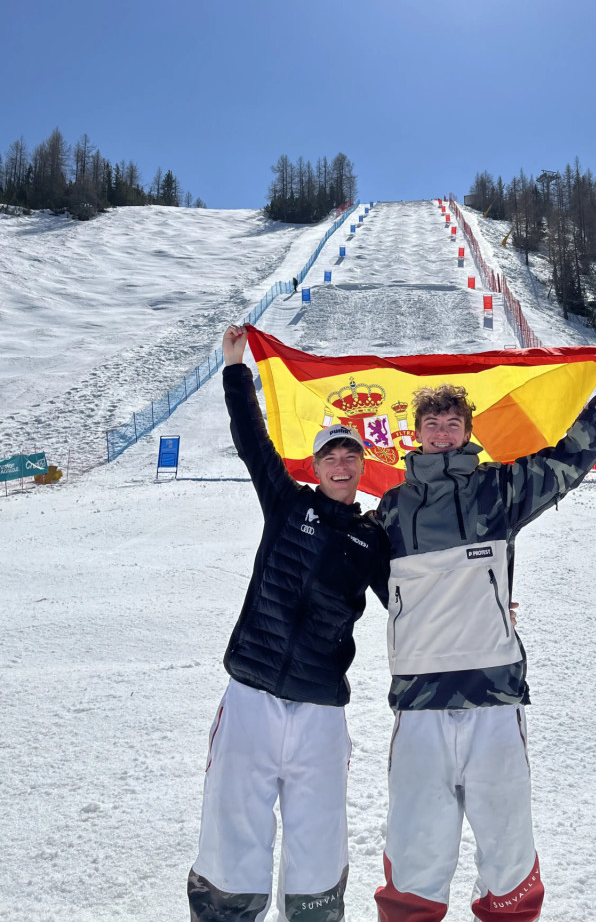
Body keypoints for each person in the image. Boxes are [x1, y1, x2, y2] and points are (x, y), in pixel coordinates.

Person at [373, 348, 596, 922]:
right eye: (433, 424)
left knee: (506, 839)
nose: (443, 433)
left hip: (493, 693)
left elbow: (571, 457)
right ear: (416, 435)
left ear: (469, 433)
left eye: (453, 424)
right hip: (419, 699)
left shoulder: (499, 489)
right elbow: (370, 579)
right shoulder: (392, 510)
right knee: (416, 840)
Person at [188, 324, 389, 922]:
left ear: (361, 466)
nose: (341, 462)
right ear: (317, 464)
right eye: (331, 453)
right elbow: (252, 438)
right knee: (233, 832)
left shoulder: (371, 536)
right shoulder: (287, 501)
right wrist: (233, 368)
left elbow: (416, 597)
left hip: (320, 711)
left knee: (318, 839)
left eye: (351, 454)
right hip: (251, 694)